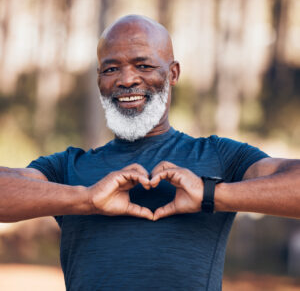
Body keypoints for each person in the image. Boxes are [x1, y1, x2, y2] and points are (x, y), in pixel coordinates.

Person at [0, 15, 299, 291]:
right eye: (111, 68)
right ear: (99, 79)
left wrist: (211, 195)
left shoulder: (220, 156)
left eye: (143, 66)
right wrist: (86, 199)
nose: (126, 80)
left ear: (173, 73)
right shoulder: (67, 167)